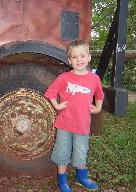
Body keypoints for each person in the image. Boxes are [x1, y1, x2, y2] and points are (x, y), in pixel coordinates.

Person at [44, 40, 104, 192]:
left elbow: (99, 94)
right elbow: (51, 92)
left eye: (82, 56)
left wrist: (97, 108)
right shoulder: (64, 78)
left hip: (82, 125)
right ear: (69, 60)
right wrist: (57, 106)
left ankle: (81, 178)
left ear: (89, 57)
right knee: (62, 153)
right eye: (75, 57)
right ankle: (63, 181)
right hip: (64, 124)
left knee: (80, 153)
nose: (79, 60)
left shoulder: (94, 79)